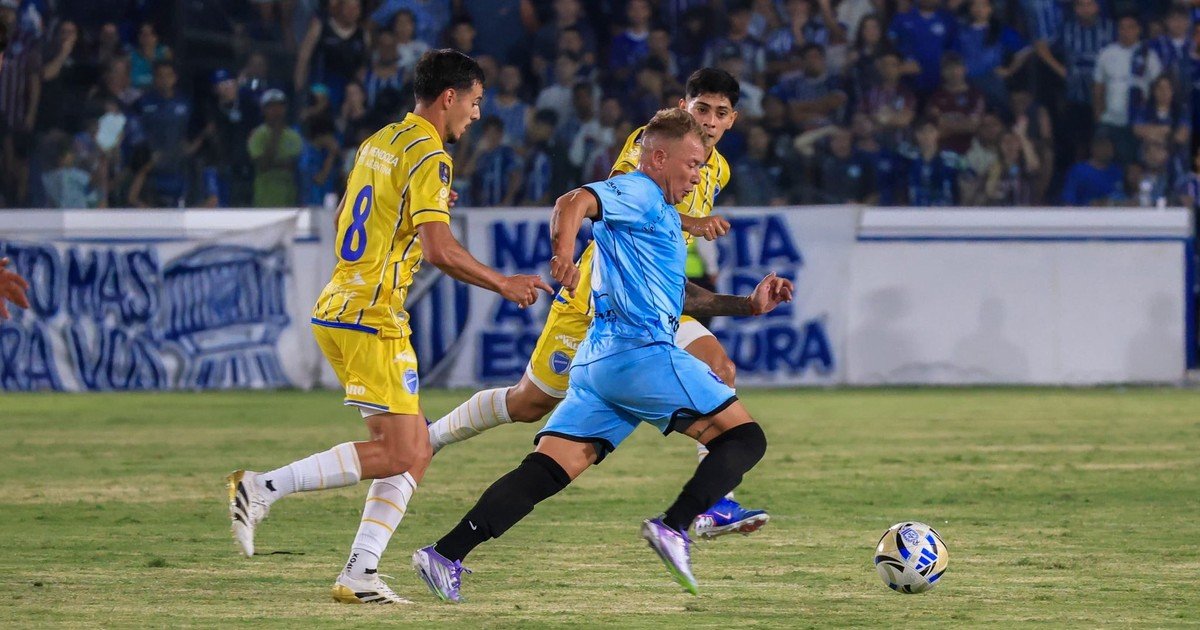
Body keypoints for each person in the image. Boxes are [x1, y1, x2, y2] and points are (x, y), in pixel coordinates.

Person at [412, 108, 793, 602]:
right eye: (693, 163)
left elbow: (678, 295)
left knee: (547, 470)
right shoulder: (638, 190)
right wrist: (564, 256)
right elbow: (572, 201)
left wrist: (747, 305)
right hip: (640, 353)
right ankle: (677, 525)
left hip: (598, 361)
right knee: (745, 439)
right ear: (658, 157)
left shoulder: (656, 214)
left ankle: (444, 554)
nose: (698, 175)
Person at [226, 49, 553, 605]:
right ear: (449, 97)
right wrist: (503, 283)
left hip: (339, 305)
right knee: (403, 451)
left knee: (415, 448)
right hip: (373, 317)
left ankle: (360, 572)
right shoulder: (431, 154)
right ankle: (261, 487)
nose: (475, 115)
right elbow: (440, 249)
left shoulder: (378, 142)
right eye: (474, 103)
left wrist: (408, 216)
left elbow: (343, 220)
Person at [247, 89, 303, 207]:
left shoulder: (294, 136)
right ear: (263, 110)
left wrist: (275, 163)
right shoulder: (257, 135)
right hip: (263, 199)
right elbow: (263, 165)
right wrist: (275, 135)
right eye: (271, 107)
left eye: (279, 106)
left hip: (289, 199)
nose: (276, 111)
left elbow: (292, 165)